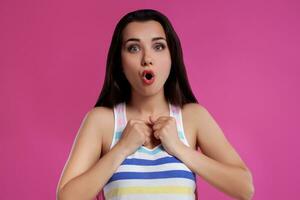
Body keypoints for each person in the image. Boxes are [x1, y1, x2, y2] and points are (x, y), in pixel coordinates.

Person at [56, 9, 254, 200]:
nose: (147, 59)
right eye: (134, 48)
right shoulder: (101, 121)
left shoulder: (193, 117)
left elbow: (244, 188)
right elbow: (66, 197)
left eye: (158, 46)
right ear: (120, 62)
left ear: (171, 57)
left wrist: (179, 149)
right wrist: (122, 148)